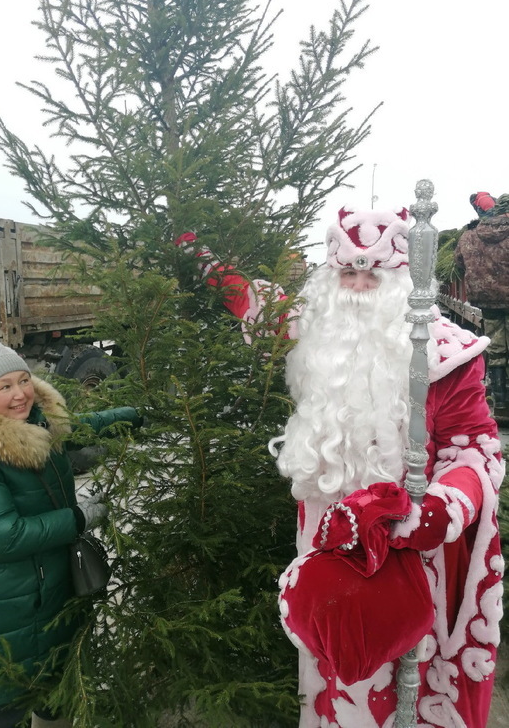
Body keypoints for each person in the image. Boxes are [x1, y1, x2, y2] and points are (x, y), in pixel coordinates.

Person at [176, 205, 504, 727]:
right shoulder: (316, 326)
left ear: (399, 278)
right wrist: (200, 258)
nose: (355, 286)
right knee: (333, 671)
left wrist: (441, 508)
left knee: (404, 682)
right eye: (346, 273)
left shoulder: (447, 352)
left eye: (370, 274)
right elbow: (252, 301)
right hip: (326, 539)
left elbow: (476, 448)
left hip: (405, 545)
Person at [0, 339, 140, 728]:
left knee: (55, 688)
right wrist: (76, 519)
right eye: (3, 386)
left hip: (49, 585)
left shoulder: (38, 422)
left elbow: (78, 428)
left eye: (23, 380)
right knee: (11, 701)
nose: (20, 394)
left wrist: (130, 415)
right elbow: (1, 535)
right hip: (6, 602)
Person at [455, 196, 509, 411]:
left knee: (496, 348)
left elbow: (459, 264)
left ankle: (501, 402)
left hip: (488, 301)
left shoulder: (468, 236)